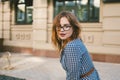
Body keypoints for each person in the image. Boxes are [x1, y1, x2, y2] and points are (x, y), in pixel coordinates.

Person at [51, 11, 100, 80]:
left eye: (66, 26)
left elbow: (73, 77)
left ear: (73, 28)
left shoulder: (71, 46)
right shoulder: (75, 40)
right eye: (59, 26)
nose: (62, 30)